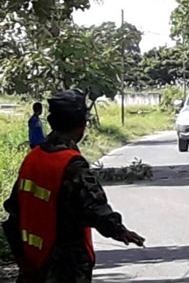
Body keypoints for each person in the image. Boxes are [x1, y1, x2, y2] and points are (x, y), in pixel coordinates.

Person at [2, 89, 145, 282]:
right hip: (64, 266)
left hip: (33, 261)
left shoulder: (32, 158)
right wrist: (120, 231)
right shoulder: (72, 164)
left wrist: (22, 258)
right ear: (81, 125)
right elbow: (95, 208)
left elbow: (13, 211)